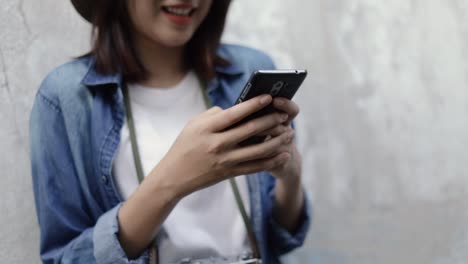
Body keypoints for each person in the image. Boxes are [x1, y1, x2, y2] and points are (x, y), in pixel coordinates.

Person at [29, 0, 311, 263]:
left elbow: (281, 238)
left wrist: (291, 175)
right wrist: (172, 181)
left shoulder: (250, 69)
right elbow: (64, 258)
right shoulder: (65, 99)